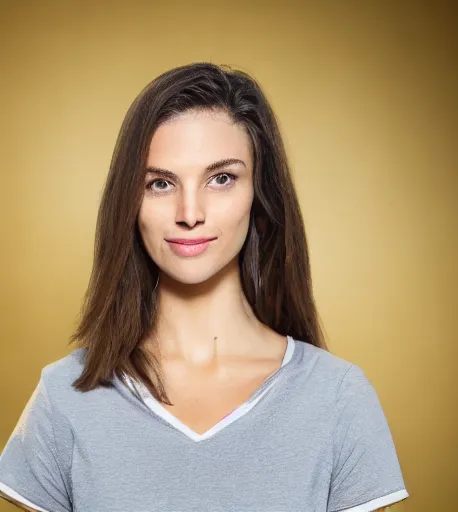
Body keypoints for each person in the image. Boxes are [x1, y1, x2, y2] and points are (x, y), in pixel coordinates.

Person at [0, 62, 409, 512]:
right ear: (128, 203)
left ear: (260, 195)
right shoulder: (64, 399)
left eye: (221, 179)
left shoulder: (337, 398)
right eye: (159, 183)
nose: (189, 212)